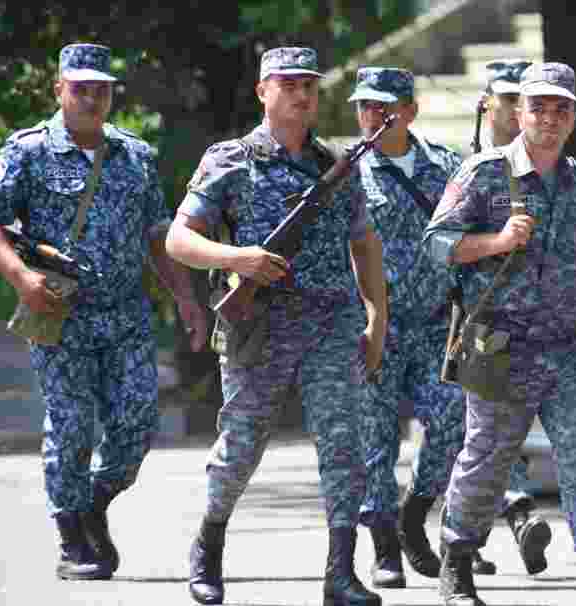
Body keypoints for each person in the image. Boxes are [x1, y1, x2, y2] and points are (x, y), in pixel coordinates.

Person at [424, 62, 576, 606]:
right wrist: (496, 242)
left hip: (569, 348)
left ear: (573, 117)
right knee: (487, 460)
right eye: (539, 107)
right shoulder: (484, 174)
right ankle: (457, 565)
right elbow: (435, 243)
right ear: (521, 113)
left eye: (561, 109)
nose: (549, 118)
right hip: (503, 346)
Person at [165, 47, 387, 606]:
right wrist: (237, 259)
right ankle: (208, 546)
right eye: (288, 84)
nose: (302, 94)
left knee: (344, 444)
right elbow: (178, 240)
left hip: (332, 323)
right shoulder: (230, 160)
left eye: (309, 85)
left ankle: (341, 572)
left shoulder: (338, 165)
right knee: (242, 445)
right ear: (263, 91)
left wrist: (376, 315)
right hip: (260, 325)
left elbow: (364, 242)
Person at [0, 42, 205, 582]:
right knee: (73, 425)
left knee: (138, 422)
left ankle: (93, 504)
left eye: (101, 90)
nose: (91, 98)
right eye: (81, 88)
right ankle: (71, 537)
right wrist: (23, 279)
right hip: (59, 314)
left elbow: (157, 235)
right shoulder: (28, 152)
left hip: (126, 315)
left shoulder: (135, 156)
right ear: (59, 89)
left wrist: (185, 297)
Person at [342, 66, 469, 589]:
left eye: (384, 106)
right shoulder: (345, 171)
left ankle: (413, 514)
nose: (372, 115)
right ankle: (384, 547)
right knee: (374, 438)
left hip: (435, 323)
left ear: (410, 111)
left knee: (452, 420)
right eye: (364, 106)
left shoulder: (447, 166)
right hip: (375, 326)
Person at [451, 58, 554, 579]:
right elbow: (440, 243)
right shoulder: (466, 166)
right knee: (479, 436)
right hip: (465, 319)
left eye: (524, 98)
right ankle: (483, 529)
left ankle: (511, 515)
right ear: (486, 103)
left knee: (496, 432)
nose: (517, 109)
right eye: (509, 98)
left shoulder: (548, 165)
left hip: (531, 326)